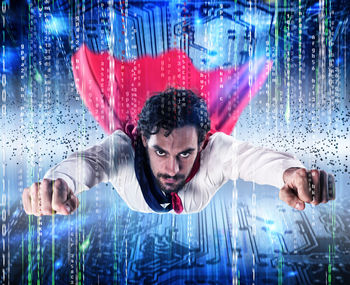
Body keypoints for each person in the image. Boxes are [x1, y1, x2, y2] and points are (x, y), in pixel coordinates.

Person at [22, 88, 335, 216]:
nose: (172, 169)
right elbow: (89, 163)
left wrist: (292, 173)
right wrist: (58, 183)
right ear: (143, 139)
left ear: (201, 143)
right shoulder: (123, 150)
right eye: (160, 152)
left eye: (185, 154)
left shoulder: (215, 152)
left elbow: (253, 159)